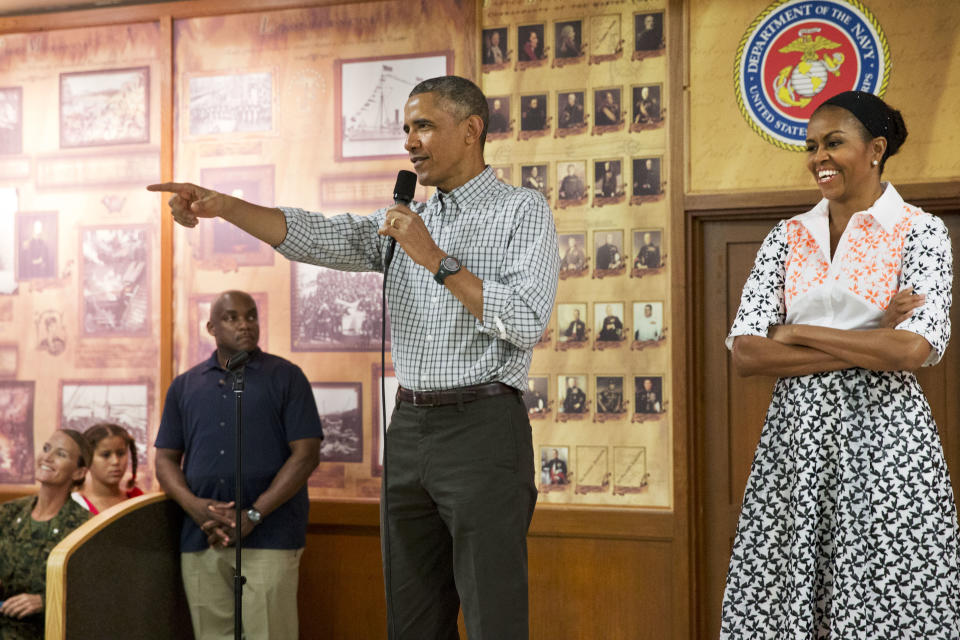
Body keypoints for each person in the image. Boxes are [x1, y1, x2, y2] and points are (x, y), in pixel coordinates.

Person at [149, 75, 560, 640]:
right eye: (407, 129)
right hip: (411, 425)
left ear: (471, 131)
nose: (411, 142)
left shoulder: (520, 211)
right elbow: (317, 234)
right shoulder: (405, 219)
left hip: (484, 425)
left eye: (424, 126)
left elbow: (524, 320)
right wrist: (224, 207)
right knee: (410, 614)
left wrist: (434, 257)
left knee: (493, 612)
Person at [721, 91, 959, 636]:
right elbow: (747, 352)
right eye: (810, 147)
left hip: (888, 449)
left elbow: (912, 350)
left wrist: (797, 331)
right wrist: (871, 334)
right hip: (796, 447)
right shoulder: (786, 237)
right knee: (787, 607)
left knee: (888, 606)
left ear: (875, 149)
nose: (818, 158)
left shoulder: (921, 232)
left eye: (833, 143)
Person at [154, 290, 324, 640]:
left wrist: (254, 515)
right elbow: (164, 459)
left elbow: (306, 454)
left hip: (270, 536)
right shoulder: (185, 386)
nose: (244, 324)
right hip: (203, 537)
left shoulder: (287, 377)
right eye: (231, 317)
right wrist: (196, 509)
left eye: (251, 316)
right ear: (211, 326)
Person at [0, 430, 91, 639]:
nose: (47, 458)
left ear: (78, 472)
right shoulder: (7, 513)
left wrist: (45, 601)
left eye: (60, 454)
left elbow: (95, 594)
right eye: (46, 449)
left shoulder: (84, 527)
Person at [72, 422, 144, 515]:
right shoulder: (76, 506)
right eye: (106, 455)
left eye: (121, 453)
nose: (115, 461)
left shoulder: (138, 500)